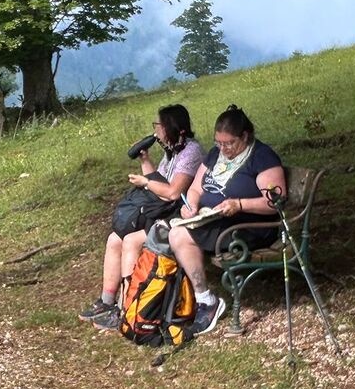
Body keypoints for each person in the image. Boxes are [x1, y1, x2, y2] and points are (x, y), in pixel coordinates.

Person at [79, 104, 204, 329]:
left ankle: (127, 309)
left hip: (177, 216)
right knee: (114, 239)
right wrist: (145, 160)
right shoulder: (172, 152)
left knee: (131, 241)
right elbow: (159, 183)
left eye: (158, 125)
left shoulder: (191, 152)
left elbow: (173, 193)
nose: (155, 130)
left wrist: (145, 182)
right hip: (161, 211)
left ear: (170, 127)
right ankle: (106, 302)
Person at [166, 104, 287, 336]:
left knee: (178, 235)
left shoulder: (262, 157)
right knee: (163, 229)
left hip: (249, 226)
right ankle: (174, 299)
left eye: (229, 143)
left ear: (245, 136)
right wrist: (190, 206)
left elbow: (275, 202)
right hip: (215, 219)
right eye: (219, 143)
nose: (223, 149)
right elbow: (195, 189)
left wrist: (239, 204)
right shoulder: (215, 155)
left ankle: (206, 301)